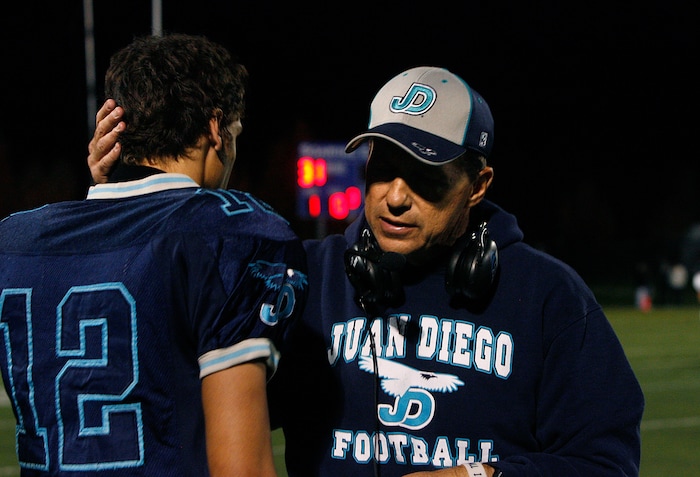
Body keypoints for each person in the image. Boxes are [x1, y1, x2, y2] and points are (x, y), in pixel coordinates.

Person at [87, 66, 644, 476]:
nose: (395, 198)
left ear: (478, 185)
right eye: (383, 169)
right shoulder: (300, 277)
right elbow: (170, 396)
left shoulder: (550, 297)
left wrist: (487, 476)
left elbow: (606, 462)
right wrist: (129, 208)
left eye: (426, 177)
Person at [0, 33, 307, 476]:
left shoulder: (15, 238)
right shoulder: (230, 232)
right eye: (235, 133)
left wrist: (110, 197)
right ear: (216, 128)